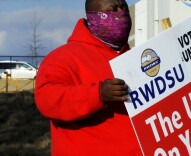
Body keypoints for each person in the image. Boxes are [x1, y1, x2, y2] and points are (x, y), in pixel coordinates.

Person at [35, 0, 142, 155]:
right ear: (93, 16)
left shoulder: (136, 58)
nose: (121, 13)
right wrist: (97, 94)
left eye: (124, 7)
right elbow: (47, 100)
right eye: (113, 9)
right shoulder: (62, 58)